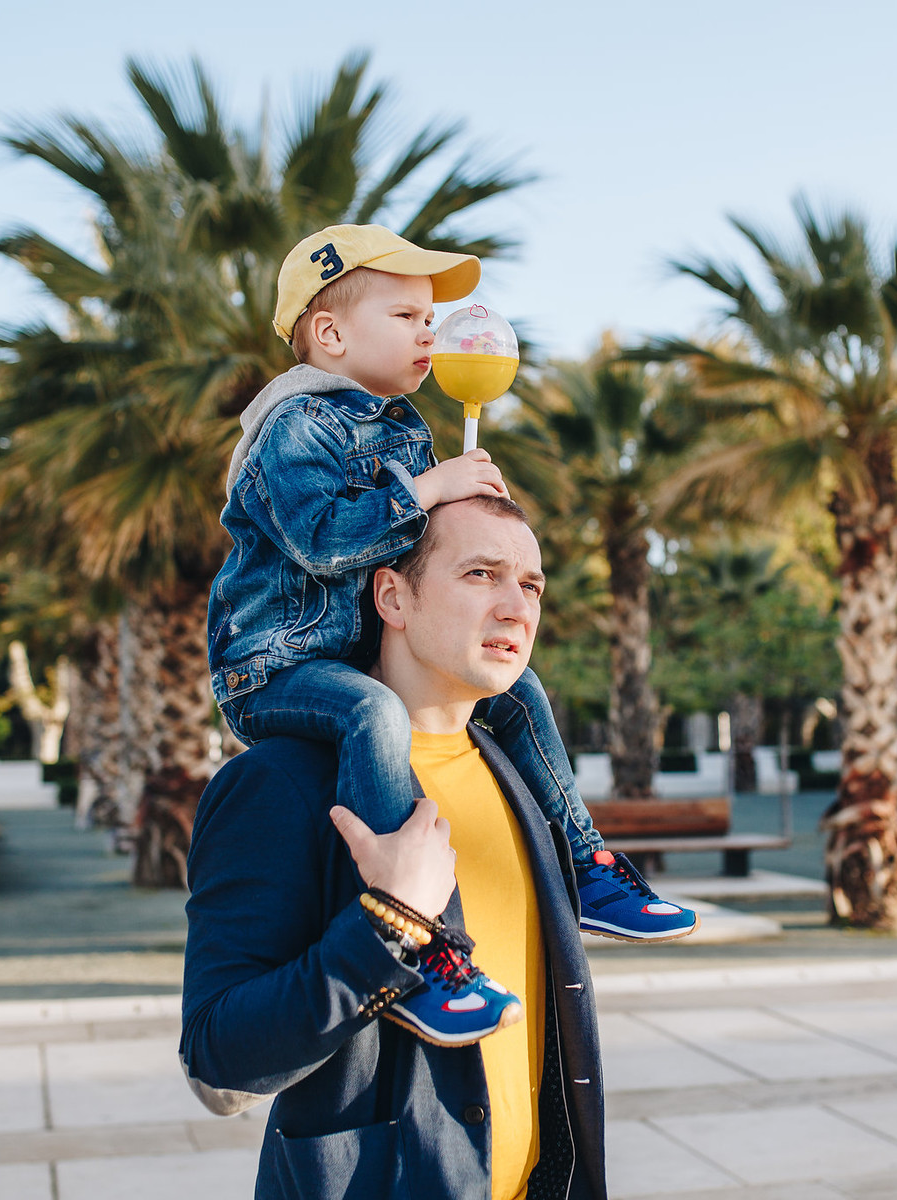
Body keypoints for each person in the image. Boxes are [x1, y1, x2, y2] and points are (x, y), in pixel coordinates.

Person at [207, 223, 696, 1046]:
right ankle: (415, 936)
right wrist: (431, 489)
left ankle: (583, 862)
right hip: (277, 664)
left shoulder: (401, 428)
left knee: (524, 691)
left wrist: (472, 532)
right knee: (373, 715)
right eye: (406, 316)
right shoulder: (293, 428)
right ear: (329, 334)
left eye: (431, 318)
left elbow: (420, 548)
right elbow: (325, 542)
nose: (429, 333)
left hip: (354, 657)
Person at [183, 496, 607, 1200]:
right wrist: (391, 924)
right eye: (481, 574)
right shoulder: (281, 784)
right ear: (392, 595)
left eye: (531, 584)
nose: (517, 608)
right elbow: (218, 1062)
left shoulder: (523, 777)